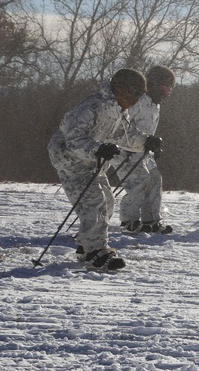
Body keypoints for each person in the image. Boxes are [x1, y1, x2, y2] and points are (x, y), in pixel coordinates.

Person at [47, 68, 161, 270]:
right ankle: (95, 252)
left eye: (141, 95)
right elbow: (73, 138)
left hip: (92, 162)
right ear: (122, 89)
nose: (137, 99)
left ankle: (85, 245)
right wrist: (97, 149)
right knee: (94, 202)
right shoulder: (92, 106)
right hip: (70, 160)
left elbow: (122, 135)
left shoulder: (118, 109)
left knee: (107, 201)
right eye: (136, 93)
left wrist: (146, 142)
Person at [114, 65, 175, 235]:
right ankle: (129, 220)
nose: (167, 92)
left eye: (170, 89)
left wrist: (153, 145)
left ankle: (151, 220)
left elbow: (149, 128)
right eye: (165, 87)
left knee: (155, 178)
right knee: (139, 181)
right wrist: (142, 140)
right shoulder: (138, 101)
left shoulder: (155, 105)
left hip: (142, 150)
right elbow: (121, 126)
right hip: (125, 149)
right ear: (154, 84)